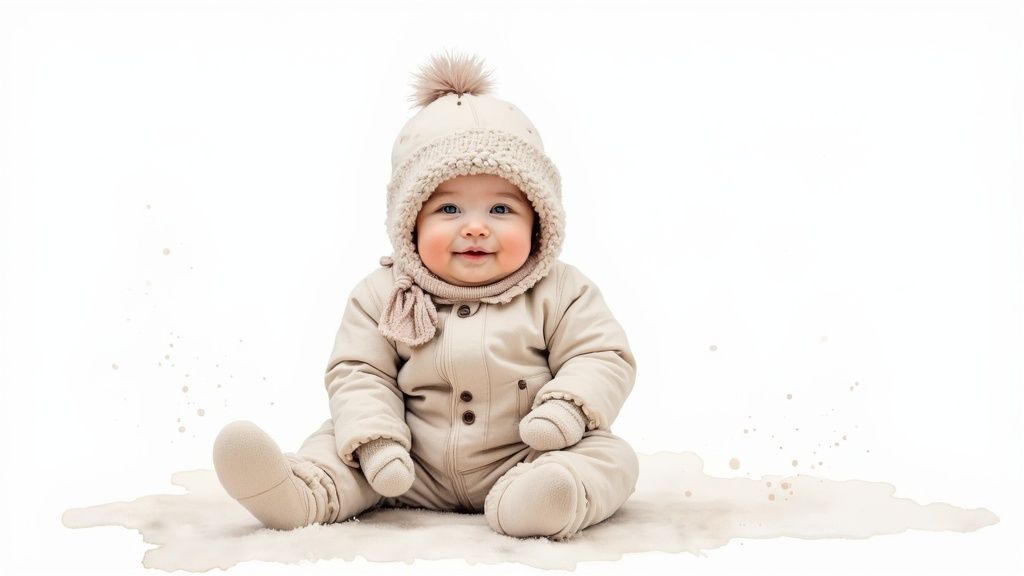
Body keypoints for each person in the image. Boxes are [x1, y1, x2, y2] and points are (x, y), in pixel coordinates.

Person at [212, 50, 638, 541]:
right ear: (409, 223)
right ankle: (300, 492)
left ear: (540, 220)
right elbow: (359, 372)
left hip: (530, 452)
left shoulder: (561, 290)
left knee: (611, 457)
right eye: (450, 208)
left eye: (501, 209)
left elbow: (601, 355)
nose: (475, 228)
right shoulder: (382, 295)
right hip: (407, 463)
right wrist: (377, 444)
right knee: (337, 441)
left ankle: (543, 499)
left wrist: (566, 409)